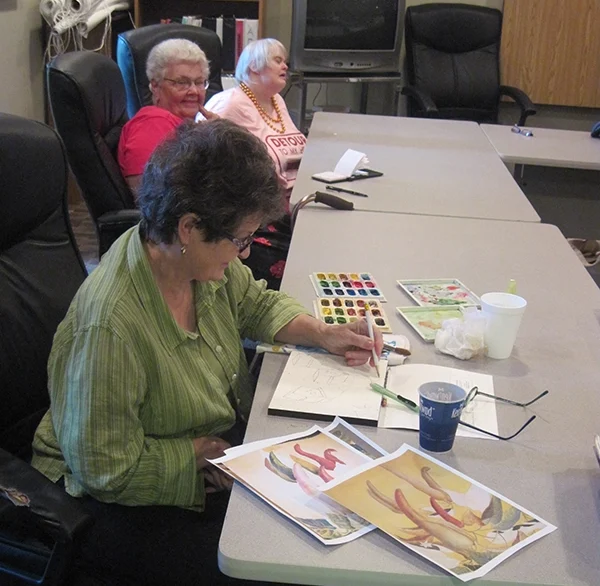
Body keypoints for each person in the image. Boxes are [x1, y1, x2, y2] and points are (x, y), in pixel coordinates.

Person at [32, 119, 382, 586]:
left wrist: (322, 332)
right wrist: (197, 454)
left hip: (207, 457)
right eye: (239, 241)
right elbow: (103, 470)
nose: (243, 255)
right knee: (274, 564)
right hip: (114, 499)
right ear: (189, 228)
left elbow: (255, 302)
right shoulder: (111, 328)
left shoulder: (191, 265)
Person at [205, 38, 306, 290]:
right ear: (253, 68)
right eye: (277, 60)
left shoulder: (276, 101)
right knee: (307, 265)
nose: (285, 66)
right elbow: (201, 156)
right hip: (260, 215)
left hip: (294, 204)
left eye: (285, 61)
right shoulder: (229, 103)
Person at [118, 38, 217, 193]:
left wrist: (218, 136)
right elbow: (149, 196)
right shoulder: (153, 123)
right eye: (181, 82)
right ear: (156, 86)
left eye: (199, 82)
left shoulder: (188, 127)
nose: (194, 91)